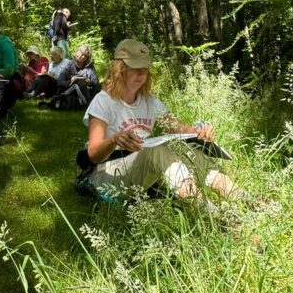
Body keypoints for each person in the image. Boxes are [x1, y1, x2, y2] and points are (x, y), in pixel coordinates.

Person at [82, 39, 241, 202]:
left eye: (144, 68)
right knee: (156, 152)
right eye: (135, 67)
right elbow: (93, 154)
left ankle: (242, 198)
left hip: (138, 171)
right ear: (119, 69)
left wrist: (200, 131)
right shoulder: (103, 101)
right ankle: (207, 212)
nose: (141, 73)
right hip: (107, 176)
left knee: (186, 149)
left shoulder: (149, 102)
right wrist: (115, 139)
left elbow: (178, 128)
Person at [46, 43, 99, 110]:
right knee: (79, 83)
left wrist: (88, 82)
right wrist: (70, 80)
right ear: (77, 52)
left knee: (103, 84)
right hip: (72, 91)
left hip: (87, 91)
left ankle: (96, 104)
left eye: (85, 56)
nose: (81, 56)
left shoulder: (89, 67)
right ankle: (89, 105)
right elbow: (60, 82)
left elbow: (95, 82)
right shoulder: (69, 64)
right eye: (81, 53)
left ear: (86, 58)